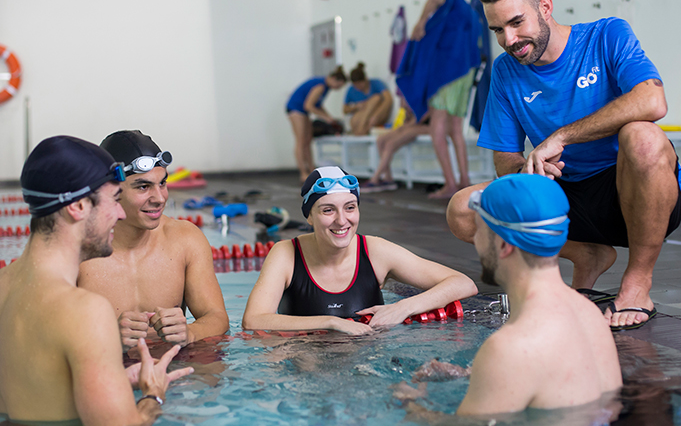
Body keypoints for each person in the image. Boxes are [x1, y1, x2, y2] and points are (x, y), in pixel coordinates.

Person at [447, 0, 681, 331]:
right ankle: (586, 253)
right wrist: (529, 169)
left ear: (545, 6)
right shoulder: (506, 71)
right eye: (497, 29)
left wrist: (561, 136)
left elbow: (653, 101)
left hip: (633, 194)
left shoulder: (607, 34)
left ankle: (638, 283)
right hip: (565, 197)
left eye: (516, 22)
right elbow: (504, 159)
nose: (509, 39)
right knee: (463, 209)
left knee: (643, 137)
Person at [0, 136, 192, 424]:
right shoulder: (85, 311)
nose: (119, 213)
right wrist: (154, 395)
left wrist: (110, 378)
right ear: (77, 207)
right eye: (114, 200)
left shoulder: (4, 284)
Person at [456, 174, 622, 415]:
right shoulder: (590, 315)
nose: (475, 240)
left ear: (504, 245)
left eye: (479, 230)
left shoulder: (509, 348)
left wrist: (412, 404)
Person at [241, 166, 477, 334]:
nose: (342, 221)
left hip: (367, 362)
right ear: (310, 217)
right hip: (303, 364)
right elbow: (253, 320)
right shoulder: (286, 254)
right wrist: (332, 323)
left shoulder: (375, 251)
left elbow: (463, 283)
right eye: (327, 210)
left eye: (350, 207)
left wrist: (403, 307)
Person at [78, 130, 229, 353]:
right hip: (104, 371)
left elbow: (216, 317)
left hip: (172, 373)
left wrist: (191, 333)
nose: (159, 198)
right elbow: (43, 338)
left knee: (213, 371)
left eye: (162, 183)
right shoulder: (77, 253)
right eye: (143, 186)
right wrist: (106, 336)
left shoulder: (185, 240)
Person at [396, 0, 481, 199]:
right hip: (464, 71)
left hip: (449, 73)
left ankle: (451, 183)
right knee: (455, 128)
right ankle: (463, 180)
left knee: (438, 126)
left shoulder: (449, 0)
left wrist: (421, 22)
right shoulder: (464, 10)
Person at [286, 66, 348, 180]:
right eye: (339, 86)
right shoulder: (320, 85)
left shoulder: (326, 87)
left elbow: (318, 105)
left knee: (308, 140)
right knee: (300, 141)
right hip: (296, 109)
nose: (338, 89)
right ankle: (303, 173)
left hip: (303, 111)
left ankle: (312, 171)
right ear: (334, 79)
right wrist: (326, 118)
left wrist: (329, 117)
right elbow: (309, 105)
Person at [360, 98, 430, 193]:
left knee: (390, 144)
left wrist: (408, 124)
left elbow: (426, 115)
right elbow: (407, 113)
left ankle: (374, 179)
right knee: (380, 140)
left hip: (428, 125)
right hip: (414, 123)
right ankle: (388, 178)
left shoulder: (427, 90)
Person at [343, 62, 393, 136]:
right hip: (361, 118)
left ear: (365, 79)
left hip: (376, 115)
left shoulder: (376, 83)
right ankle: (361, 130)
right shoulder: (351, 90)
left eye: (360, 83)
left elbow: (388, 99)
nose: (358, 87)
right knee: (354, 120)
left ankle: (362, 130)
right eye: (356, 85)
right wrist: (356, 106)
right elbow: (345, 110)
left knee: (376, 98)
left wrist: (377, 115)